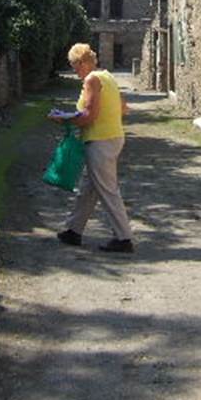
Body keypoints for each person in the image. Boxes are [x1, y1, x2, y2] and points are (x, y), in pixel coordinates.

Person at [54, 43, 134, 253]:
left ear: (82, 63)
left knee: (107, 190)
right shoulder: (107, 76)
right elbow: (124, 108)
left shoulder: (91, 79)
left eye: (74, 65)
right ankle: (73, 230)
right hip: (112, 137)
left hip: (100, 140)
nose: (74, 70)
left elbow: (89, 116)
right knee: (88, 189)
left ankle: (123, 237)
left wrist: (64, 119)